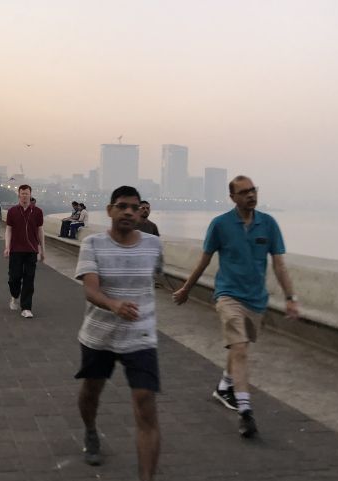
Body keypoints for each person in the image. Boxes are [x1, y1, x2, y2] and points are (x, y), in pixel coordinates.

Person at [173, 175, 299, 438]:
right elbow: (204, 261)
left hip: (256, 299)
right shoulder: (220, 224)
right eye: (244, 192)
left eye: (253, 190)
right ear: (232, 197)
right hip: (228, 295)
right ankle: (245, 412)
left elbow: (279, 264)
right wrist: (187, 288)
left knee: (239, 346)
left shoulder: (269, 224)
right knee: (239, 348)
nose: (251, 195)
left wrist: (290, 298)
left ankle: (224, 386)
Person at [74, 186, 163, 480]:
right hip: (100, 334)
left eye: (134, 207)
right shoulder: (93, 244)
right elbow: (90, 289)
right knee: (91, 392)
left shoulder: (153, 244)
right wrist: (113, 305)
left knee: (145, 401)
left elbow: (157, 278)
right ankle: (90, 430)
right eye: (122, 206)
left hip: (141, 335)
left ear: (141, 212)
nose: (128, 211)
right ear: (110, 210)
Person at [3, 184, 45, 318]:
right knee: (14, 277)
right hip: (16, 249)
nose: (25, 196)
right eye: (22, 193)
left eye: (27, 193)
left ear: (30, 195)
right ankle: (14, 295)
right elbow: (8, 230)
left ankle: (26, 307)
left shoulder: (37, 212)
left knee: (29, 278)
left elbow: (40, 231)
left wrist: (42, 250)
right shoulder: (12, 211)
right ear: (19, 195)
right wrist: (7, 247)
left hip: (31, 250)